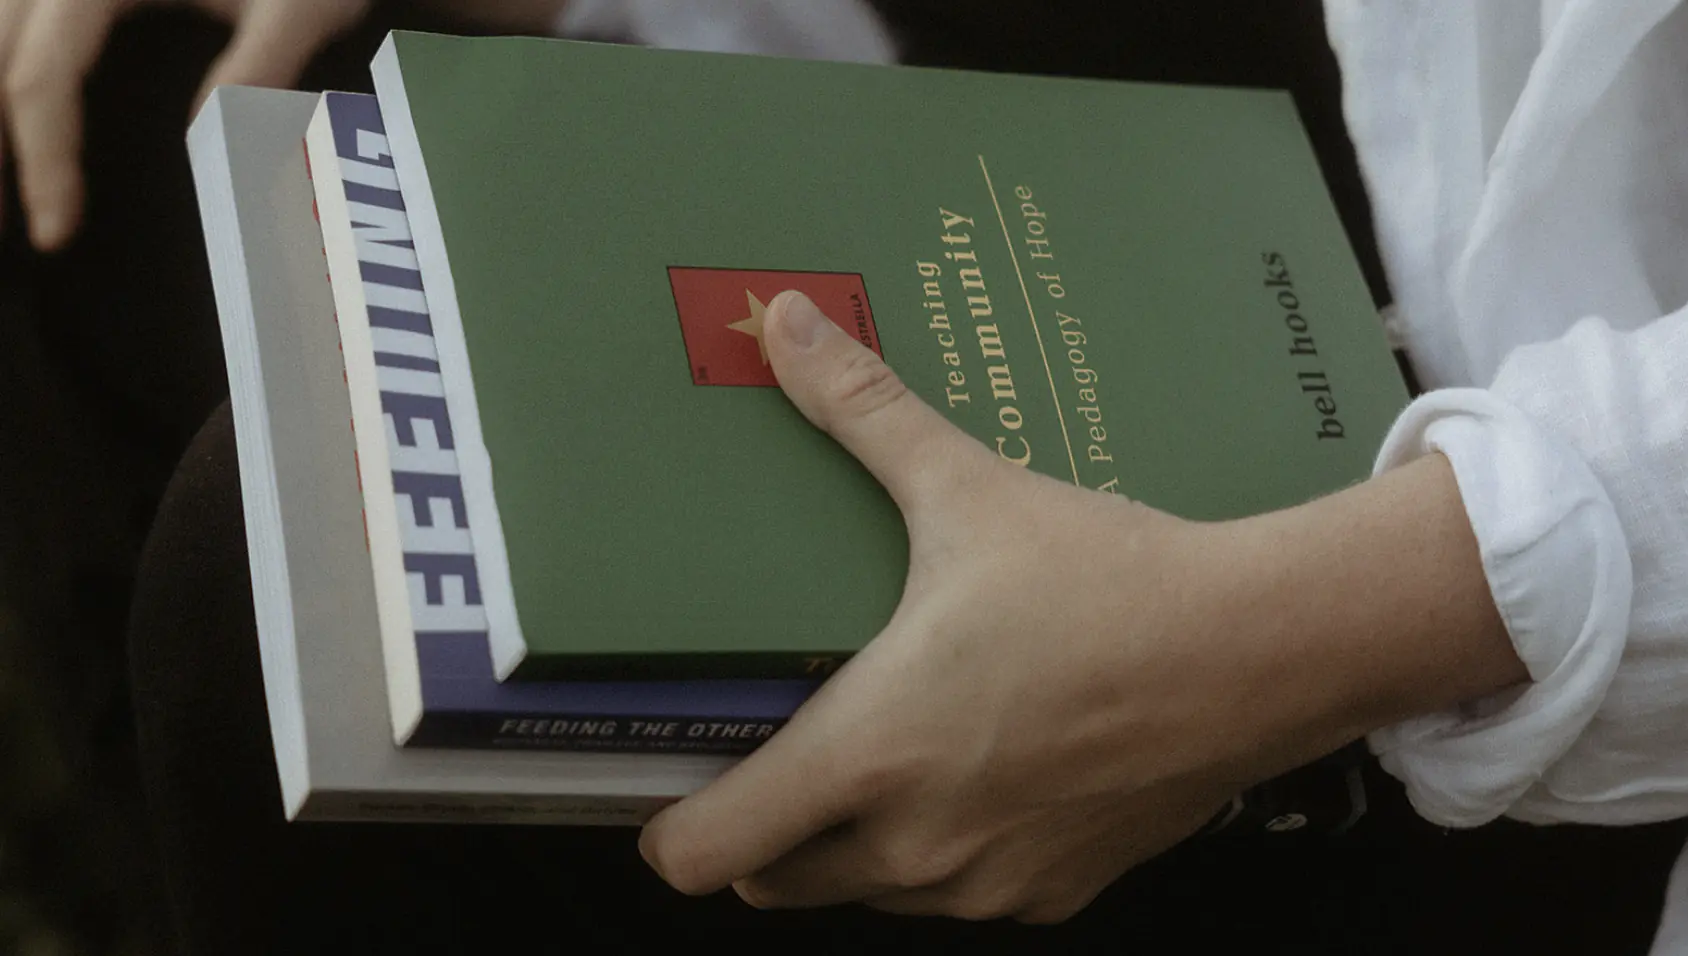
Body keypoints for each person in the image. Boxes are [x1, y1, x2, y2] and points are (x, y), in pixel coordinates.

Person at [19, 0, 1685, 951]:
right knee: (121, 95)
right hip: (1229, 159)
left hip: (1512, 616)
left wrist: (1298, 639)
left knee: (286, 577)